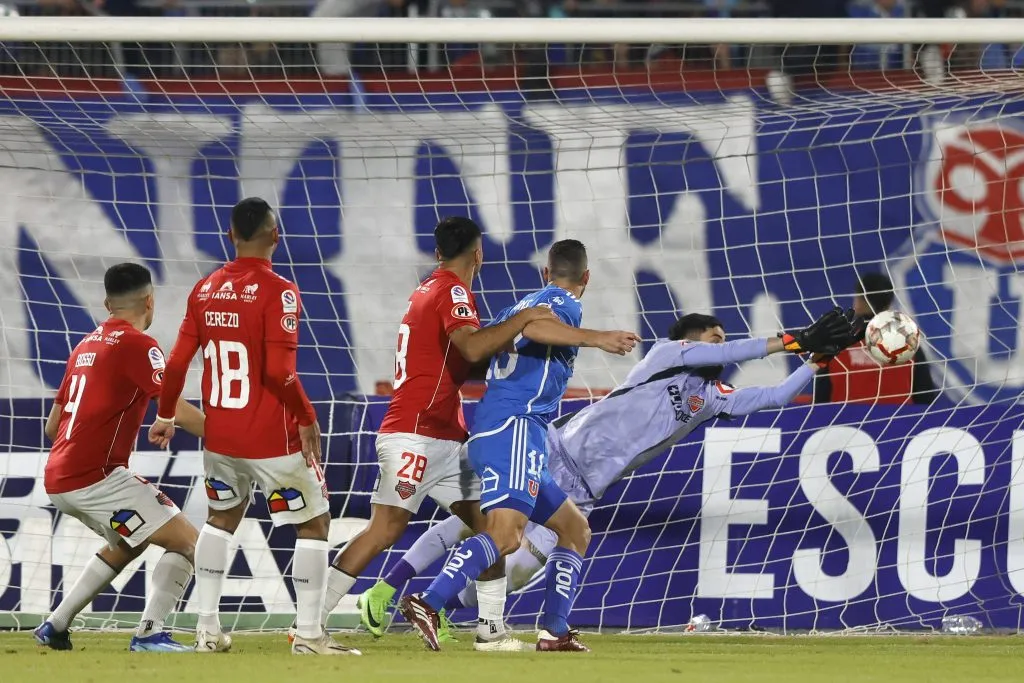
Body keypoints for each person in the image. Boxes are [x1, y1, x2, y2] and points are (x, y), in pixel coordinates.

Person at [360, 309, 860, 629]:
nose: (721, 345)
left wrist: (815, 359)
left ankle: (439, 607)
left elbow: (773, 396)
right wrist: (792, 339)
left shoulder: (711, 397)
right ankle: (389, 590)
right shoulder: (667, 356)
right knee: (468, 523)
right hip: (554, 451)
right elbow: (732, 351)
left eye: (721, 339)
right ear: (691, 342)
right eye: (713, 337)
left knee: (515, 571)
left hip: (587, 488)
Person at [317, 216, 554, 652]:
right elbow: (472, 346)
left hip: (444, 437)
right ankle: (311, 625)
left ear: (438, 251)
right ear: (478, 254)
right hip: (417, 435)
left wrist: (506, 348)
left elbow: (460, 360)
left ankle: (490, 630)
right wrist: (522, 320)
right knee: (384, 530)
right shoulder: (451, 291)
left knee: (491, 528)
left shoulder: (428, 290)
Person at [398, 240, 640, 653]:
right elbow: (535, 329)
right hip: (514, 428)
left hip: (505, 429)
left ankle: (554, 631)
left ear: (545, 271)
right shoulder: (560, 301)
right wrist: (597, 338)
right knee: (506, 536)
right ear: (586, 277)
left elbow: (490, 348)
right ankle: (429, 602)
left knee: (574, 529)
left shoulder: (517, 306)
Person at [149, 197, 356, 656]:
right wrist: (307, 416)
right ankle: (308, 635)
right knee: (314, 524)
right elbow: (279, 372)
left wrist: (165, 415)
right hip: (272, 438)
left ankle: (206, 630)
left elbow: (177, 363)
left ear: (231, 235)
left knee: (220, 519)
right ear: (275, 236)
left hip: (220, 437)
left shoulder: (204, 289)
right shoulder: (280, 291)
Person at [33, 263, 206, 653]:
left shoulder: (84, 347)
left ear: (107, 303)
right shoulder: (138, 345)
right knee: (189, 543)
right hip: (97, 477)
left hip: (59, 475)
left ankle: (55, 625)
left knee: (131, 541)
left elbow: (52, 427)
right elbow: (172, 403)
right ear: (150, 301)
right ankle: (149, 634)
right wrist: (224, 435)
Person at [814, 272, 937, 405]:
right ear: (889, 304)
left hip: (845, 417)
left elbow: (821, 399)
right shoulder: (909, 344)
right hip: (897, 417)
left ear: (859, 301)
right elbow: (925, 399)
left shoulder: (835, 342)